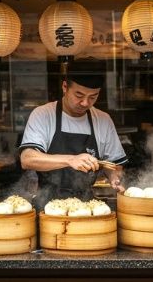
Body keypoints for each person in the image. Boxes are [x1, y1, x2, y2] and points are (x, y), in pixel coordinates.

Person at [19, 75, 127, 209]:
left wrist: (114, 177)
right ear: (65, 87)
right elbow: (27, 158)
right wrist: (71, 160)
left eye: (93, 97)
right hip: (47, 205)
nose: (85, 103)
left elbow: (113, 164)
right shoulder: (43, 114)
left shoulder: (103, 120)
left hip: (87, 207)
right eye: (79, 95)